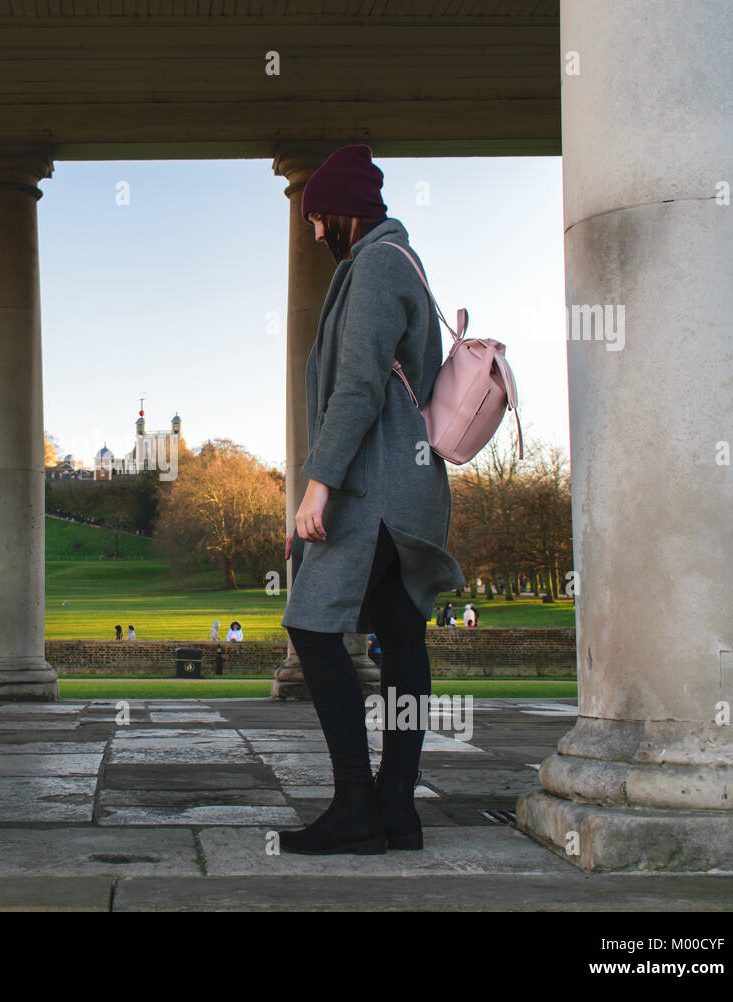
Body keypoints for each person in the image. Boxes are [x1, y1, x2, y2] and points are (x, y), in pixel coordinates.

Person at [277, 144, 466, 856]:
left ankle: (359, 803)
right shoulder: (394, 260)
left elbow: (357, 385)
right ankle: (397, 807)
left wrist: (315, 488)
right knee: (401, 635)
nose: (315, 233)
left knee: (314, 624)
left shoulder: (378, 264)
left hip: (373, 488)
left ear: (341, 213)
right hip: (406, 488)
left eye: (318, 218)